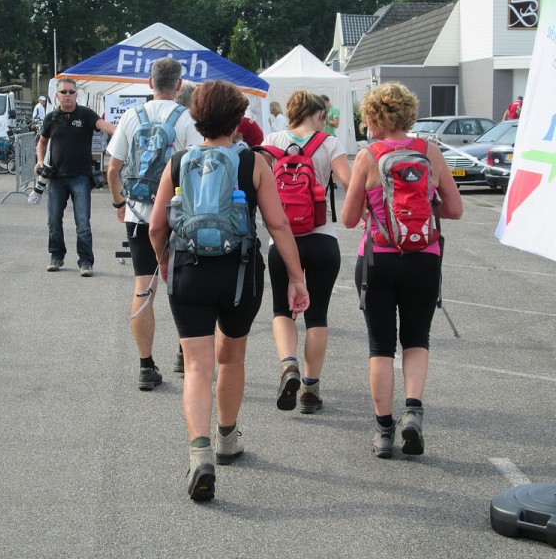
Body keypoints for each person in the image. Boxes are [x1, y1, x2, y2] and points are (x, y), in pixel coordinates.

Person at [148, 80, 310, 501]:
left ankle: (198, 451)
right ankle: (226, 437)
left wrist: (166, 263)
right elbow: (277, 224)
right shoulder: (253, 162)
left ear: (196, 118)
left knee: (198, 365)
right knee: (231, 354)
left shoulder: (178, 161)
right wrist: (296, 277)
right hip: (239, 273)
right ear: (238, 120)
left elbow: (155, 226)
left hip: (189, 270)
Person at [341, 82, 463, 459]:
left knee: (380, 346)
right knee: (417, 339)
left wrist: (375, 210)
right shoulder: (430, 152)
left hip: (379, 257)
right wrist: (423, 211)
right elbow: (455, 209)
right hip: (424, 258)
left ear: (376, 116)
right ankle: (413, 411)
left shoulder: (368, 156)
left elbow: (347, 219)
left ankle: (383, 432)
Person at [105, 58, 203, 390]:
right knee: (185, 283)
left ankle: (146, 365)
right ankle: (182, 353)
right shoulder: (187, 118)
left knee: (143, 286)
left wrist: (120, 204)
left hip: (138, 213)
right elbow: (197, 167)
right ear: (179, 85)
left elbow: (112, 169)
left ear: (150, 83)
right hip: (178, 215)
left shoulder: (132, 116)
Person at [260, 91, 351, 414]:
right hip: (322, 237)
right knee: (317, 315)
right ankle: (311, 389)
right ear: (316, 114)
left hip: (282, 241)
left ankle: (288, 365)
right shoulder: (329, 143)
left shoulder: (272, 139)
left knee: (281, 310)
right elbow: (347, 182)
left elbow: (255, 181)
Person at [30, 78, 115, 277]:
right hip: (57, 178)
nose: (67, 95)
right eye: (63, 92)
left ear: (77, 95)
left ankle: (86, 262)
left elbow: (106, 126)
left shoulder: (85, 114)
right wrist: (39, 161)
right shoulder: (51, 117)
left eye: (71, 92)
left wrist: (121, 132)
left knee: (83, 222)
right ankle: (56, 256)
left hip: (81, 178)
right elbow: (42, 142)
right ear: (57, 96)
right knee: (53, 221)